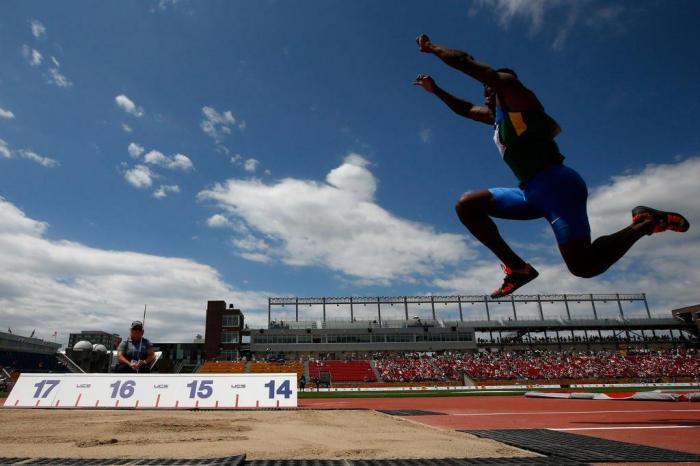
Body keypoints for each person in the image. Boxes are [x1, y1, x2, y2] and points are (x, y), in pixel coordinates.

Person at [413, 34, 689, 298]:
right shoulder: (497, 119)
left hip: (558, 187)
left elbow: (469, 64)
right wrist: (435, 89)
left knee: (584, 266)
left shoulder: (516, 95)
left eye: (488, 88)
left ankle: (646, 221)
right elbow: (465, 109)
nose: (485, 94)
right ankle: (518, 269)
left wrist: (433, 48)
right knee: (467, 205)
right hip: (530, 192)